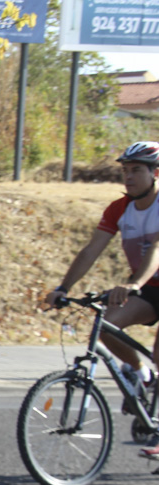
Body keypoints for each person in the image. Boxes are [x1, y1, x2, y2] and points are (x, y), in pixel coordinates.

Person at [44, 141, 159, 452]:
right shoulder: (119, 209)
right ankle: (140, 373)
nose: (129, 177)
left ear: (155, 173)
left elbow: (157, 251)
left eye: (136, 170)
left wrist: (133, 283)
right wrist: (63, 289)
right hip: (151, 290)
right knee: (108, 325)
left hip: (144, 283)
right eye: (125, 171)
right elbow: (90, 251)